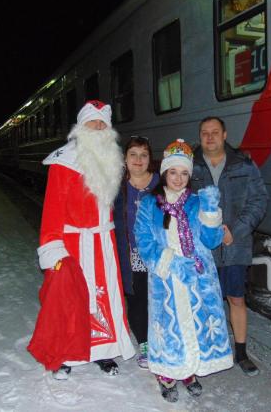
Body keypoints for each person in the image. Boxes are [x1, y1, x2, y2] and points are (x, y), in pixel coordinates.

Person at [27, 100, 135, 380]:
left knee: (106, 298)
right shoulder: (63, 163)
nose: (98, 128)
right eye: (92, 123)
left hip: (103, 242)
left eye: (103, 124)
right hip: (73, 244)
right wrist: (54, 250)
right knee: (69, 301)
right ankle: (66, 354)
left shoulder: (112, 158)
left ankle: (102, 352)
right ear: (81, 126)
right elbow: (52, 210)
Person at [134, 139, 233, 403]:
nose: (179, 178)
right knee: (170, 325)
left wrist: (212, 212)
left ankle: (189, 370)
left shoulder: (197, 202)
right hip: (166, 276)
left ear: (190, 175)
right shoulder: (148, 204)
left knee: (196, 322)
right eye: (174, 172)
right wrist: (171, 262)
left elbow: (212, 242)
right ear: (165, 171)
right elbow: (144, 241)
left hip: (198, 277)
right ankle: (167, 373)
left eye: (184, 173)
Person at [191, 116, 268, 377]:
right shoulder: (190, 165)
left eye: (215, 132)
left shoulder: (243, 164)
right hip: (202, 247)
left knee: (236, 298)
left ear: (225, 135)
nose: (209, 137)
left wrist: (235, 231)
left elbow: (259, 200)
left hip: (234, 246)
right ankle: (203, 349)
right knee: (201, 300)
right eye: (204, 133)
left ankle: (242, 353)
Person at [113, 136, 159, 369]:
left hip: (160, 253)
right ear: (125, 159)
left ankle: (162, 341)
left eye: (143, 155)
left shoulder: (162, 183)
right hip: (131, 253)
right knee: (137, 300)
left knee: (159, 299)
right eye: (133, 154)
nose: (138, 160)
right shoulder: (117, 187)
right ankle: (144, 343)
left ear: (150, 159)